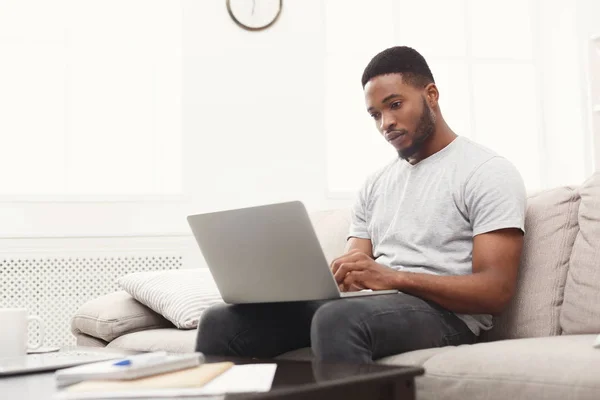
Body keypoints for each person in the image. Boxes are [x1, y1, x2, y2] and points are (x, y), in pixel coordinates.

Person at [195, 46, 526, 363]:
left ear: (431, 95)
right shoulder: (375, 184)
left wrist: (393, 278)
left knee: (337, 319)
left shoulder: (486, 171)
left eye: (395, 104)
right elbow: (357, 263)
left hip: (447, 316)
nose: (386, 123)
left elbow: (494, 290)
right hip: (377, 305)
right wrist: (338, 275)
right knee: (220, 322)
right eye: (375, 114)